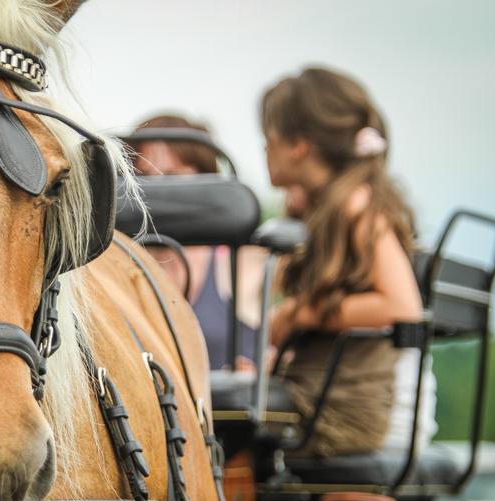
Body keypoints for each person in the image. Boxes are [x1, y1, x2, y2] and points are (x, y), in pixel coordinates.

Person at [261, 67, 437, 456]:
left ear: (299, 145)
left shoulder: (356, 205)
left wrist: (301, 313)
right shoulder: (335, 208)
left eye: (267, 137)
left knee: (208, 413)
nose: (264, 149)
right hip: (323, 398)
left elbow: (399, 305)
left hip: (337, 413)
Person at [130, 115, 265, 372]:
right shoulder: (116, 262)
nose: (156, 189)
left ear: (207, 179)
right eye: (143, 176)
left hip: (227, 412)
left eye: (171, 176)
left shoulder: (243, 261)